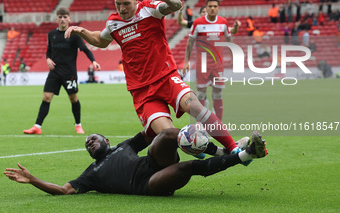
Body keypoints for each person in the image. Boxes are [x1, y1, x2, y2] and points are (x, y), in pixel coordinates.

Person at [65, 0, 245, 158]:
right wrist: (82, 32)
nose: (122, 9)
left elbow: (175, 6)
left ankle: (233, 148)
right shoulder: (114, 23)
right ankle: (220, 152)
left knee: (196, 107)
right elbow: (100, 40)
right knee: (169, 135)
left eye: (126, 3)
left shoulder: (149, 9)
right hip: (141, 91)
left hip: (167, 77)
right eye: (118, 4)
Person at [3, 129, 268, 196]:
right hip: (148, 184)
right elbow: (64, 190)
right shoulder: (90, 174)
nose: (90, 143)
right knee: (187, 167)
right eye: (87, 144)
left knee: (167, 134)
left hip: (154, 162)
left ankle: (223, 152)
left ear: (106, 140)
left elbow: (151, 130)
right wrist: (33, 180)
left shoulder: (124, 146)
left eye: (93, 139)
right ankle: (245, 155)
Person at [23, 8, 101, 135]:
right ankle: (37, 127)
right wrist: (48, 59)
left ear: (69, 19)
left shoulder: (75, 36)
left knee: (73, 98)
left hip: (69, 73)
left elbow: (85, 49)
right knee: (46, 97)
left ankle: (78, 125)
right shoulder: (51, 34)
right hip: (54, 72)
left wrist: (93, 61)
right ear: (56, 19)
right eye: (60, 17)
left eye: (65, 17)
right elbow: (49, 50)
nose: (63, 19)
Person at [182, 0, 241, 122]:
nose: (212, 8)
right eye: (210, 6)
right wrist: (186, 61)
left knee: (218, 93)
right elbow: (190, 42)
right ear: (206, 8)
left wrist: (233, 57)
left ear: (218, 8)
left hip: (217, 64)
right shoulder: (198, 23)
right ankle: (200, 124)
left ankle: (218, 125)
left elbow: (229, 40)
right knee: (201, 93)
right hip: (202, 63)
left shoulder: (223, 22)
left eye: (215, 6)